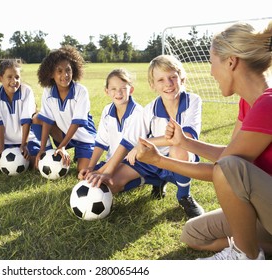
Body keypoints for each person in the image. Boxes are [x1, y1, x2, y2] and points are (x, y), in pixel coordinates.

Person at [131, 21, 272, 260]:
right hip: (262, 207)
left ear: (231, 61)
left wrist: (158, 160)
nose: (210, 72)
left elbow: (224, 170)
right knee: (193, 234)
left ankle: (247, 255)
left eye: (211, 62)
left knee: (227, 168)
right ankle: (258, 246)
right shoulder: (247, 103)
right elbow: (231, 154)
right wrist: (186, 143)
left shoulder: (268, 104)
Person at [87, 55, 204, 219]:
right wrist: (107, 171)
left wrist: (144, 142)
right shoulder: (149, 110)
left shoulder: (193, 101)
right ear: (153, 85)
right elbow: (127, 141)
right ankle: (155, 181)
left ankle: (184, 197)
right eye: (161, 80)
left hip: (177, 160)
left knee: (177, 149)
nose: (168, 84)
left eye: (173, 77)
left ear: (182, 78)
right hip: (151, 159)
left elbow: (183, 138)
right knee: (111, 183)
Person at [35, 45, 97, 172]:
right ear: (51, 74)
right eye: (59, 71)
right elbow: (47, 120)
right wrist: (42, 149)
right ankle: (48, 153)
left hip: (84, 138)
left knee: (83, 171)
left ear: (74, 70)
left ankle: (82, 155)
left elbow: (76, 123)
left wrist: (62, 146)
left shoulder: (81, 91)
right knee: (37, 118)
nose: (65, 75)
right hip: (63, 133)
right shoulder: (48, 91)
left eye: (68, 70)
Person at [78, 68, 143, 184]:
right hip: (111, 161)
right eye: (113, 89)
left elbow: (126, 149)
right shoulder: (107, 111)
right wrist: (91, 167)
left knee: (106, 184)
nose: (118, 93)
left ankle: (144, 179)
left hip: (133, 163)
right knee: (87, 179)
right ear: (106, 91)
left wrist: (101, 171)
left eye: (123, 88)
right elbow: (100, 143)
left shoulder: (138, 113)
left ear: (131, 90)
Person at [0, 59, 45, 169]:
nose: (14, 81)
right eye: (9, 77)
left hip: (28, 140)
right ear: (0, 78)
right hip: (6, 141)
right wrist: (1, 147)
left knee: (37, 165)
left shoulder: (26, 91)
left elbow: (26, 120)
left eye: (17, 77)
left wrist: (24, 144)